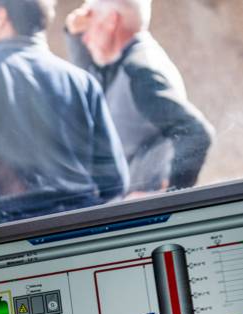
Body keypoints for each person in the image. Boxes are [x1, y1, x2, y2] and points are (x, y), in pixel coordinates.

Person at [0, 0, 129, 228]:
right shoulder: (82, 82)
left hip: (2, 234)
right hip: (81, 230)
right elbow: (114, 181)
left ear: (1, 18)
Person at [65, 0, 214, 196]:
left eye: (90, 24)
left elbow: (195, 132)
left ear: (111, 21)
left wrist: (171, 196)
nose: (86, 38)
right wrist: (74, 35)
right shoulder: (125, 63)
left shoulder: (140, 71)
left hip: (145, 217)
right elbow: (91, 87)